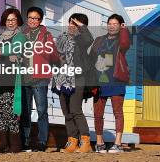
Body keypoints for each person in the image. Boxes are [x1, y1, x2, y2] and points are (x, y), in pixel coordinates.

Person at [0, 8, 28, 153]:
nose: (10, 22)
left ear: (18, 21)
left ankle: (15, 144)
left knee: (11, 111)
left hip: (11, 76)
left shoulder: (21, 36)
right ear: (4, 21)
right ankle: (2, 142)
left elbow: (14, 48)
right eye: (8, 20)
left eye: (13, 20)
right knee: (0, 110)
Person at [53, 13, 94, 153]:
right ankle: (72, 141)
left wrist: (81, 26)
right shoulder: (61, 39)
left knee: (76, 110)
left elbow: (89, 39)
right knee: (67, 112)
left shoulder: (81, 40)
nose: (72, 25)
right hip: (62, 79)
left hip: (77, 78)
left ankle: (86, 142)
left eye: (75, 24)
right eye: (71, 22)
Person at [20, 6, 59, 152]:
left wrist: (41, 50)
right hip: (24, 77)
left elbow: (54, 55)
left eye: (36, 18)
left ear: (40, 20)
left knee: (42, 110)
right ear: (27, 19)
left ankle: (42, 142)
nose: (33, 20)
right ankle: (24, 142)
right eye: (30, 18)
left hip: (40, 77)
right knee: (25, 111)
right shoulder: (22, 34)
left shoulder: (46, 35)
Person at [91, 14, 131, 153]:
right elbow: (91, 57)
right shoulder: (99, 40)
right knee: (97, 113)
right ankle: (100, 142)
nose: (112, 26)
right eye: (110, 23)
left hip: (116, 80)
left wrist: (125, 30)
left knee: (117, 112)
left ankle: (118, 143)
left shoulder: (123, 39)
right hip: (99, 80)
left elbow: (125, 45)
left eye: (115, 24)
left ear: (120, 26)